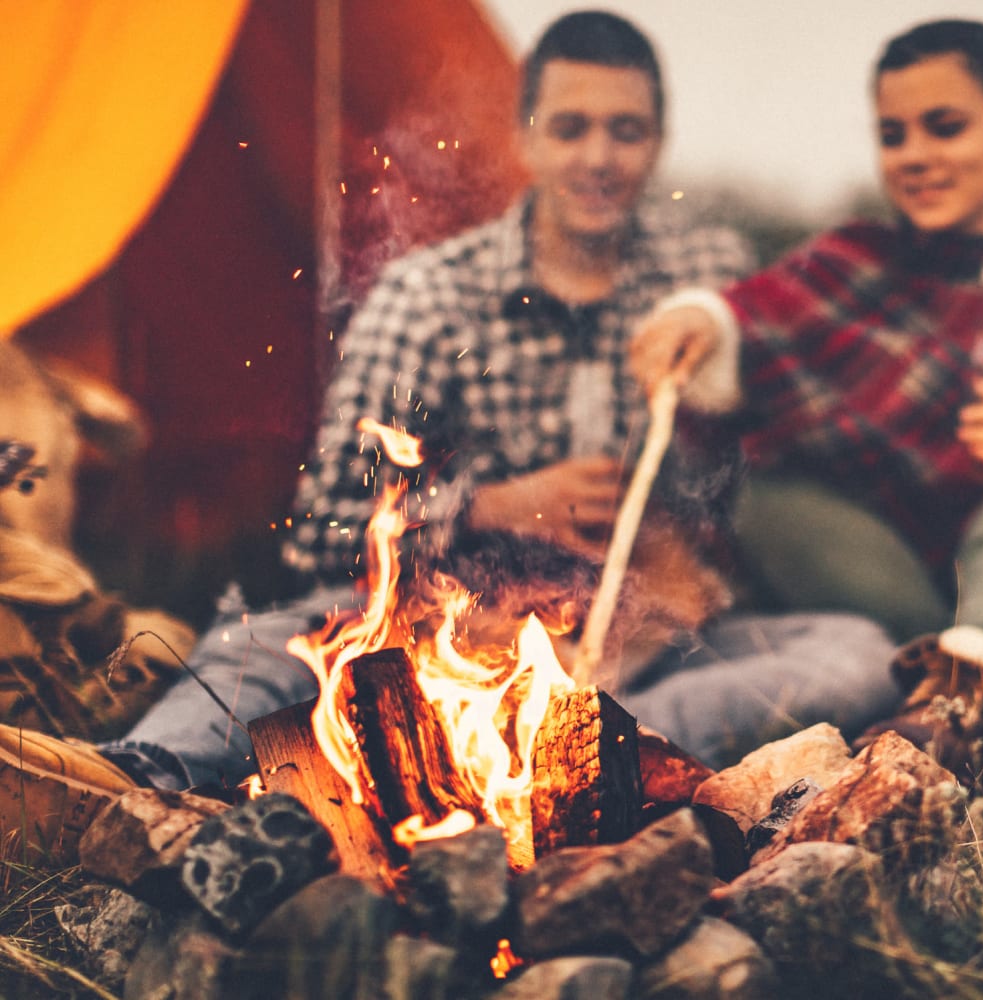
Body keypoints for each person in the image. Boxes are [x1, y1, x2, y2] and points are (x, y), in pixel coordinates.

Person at [1, 10, 901, 861]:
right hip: (444, 630)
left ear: (656, 141)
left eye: (625, 132)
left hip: (642, 648)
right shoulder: (429, 296)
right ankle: (125, 784)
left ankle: (548, 762)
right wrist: (497, 505)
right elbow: (323, 526)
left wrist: (694, 524)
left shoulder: (702, 278)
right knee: (262, 643)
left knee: (852, 652)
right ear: (527, 134)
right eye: (571, 126)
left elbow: (764, 454)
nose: (598, 157)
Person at [632, 18, 983, 776]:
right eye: (895, 134)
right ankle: (931, 674)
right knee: (763, 495)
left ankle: (969, 705)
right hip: (921, 606)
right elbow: (748, 321)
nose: (918, 157)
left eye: (946, 127)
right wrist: (695, 321)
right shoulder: (858, 263)